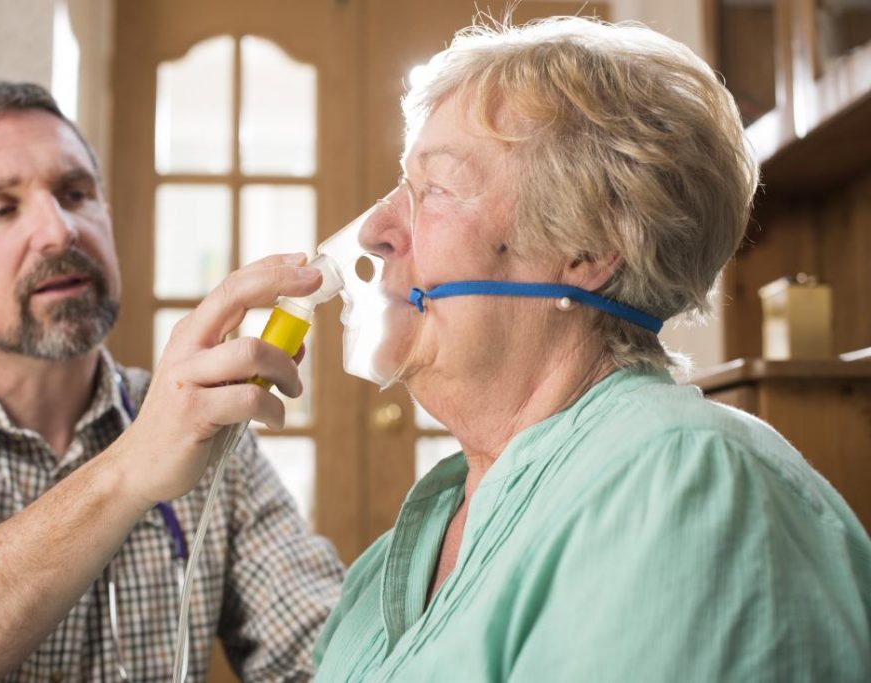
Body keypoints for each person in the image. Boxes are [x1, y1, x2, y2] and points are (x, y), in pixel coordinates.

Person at [313, 17, 871, 681]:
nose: (376, 228)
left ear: (589, 246)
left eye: (434, 188)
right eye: (402, 185)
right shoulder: (399, 554)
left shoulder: (685, 490)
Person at [0, 80, 343, 681]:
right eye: (2, 209)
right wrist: (128, 469)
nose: (60, 231)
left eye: (75, 194)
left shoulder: (205, 427)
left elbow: (324, 656)